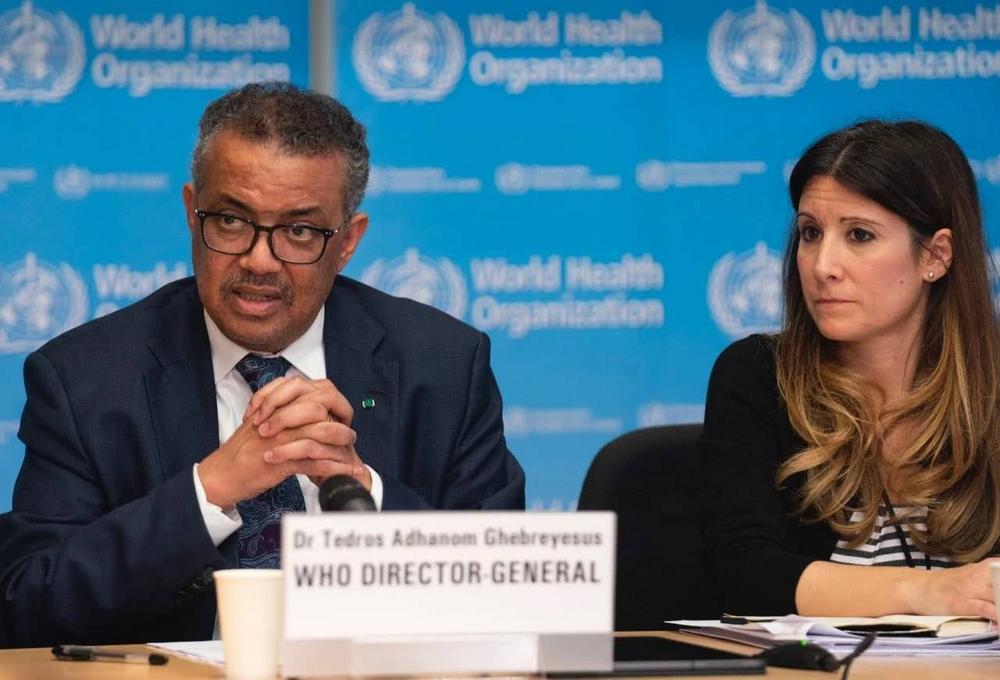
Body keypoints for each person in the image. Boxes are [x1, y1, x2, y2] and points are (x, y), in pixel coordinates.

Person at [0, 82, 525, 647]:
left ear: (348, 241)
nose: (259, 260)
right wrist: (207, 492)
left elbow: (508, 595)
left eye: (299, 231)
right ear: (191, 212)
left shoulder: (442, 365)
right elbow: (27, 605)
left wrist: (362, 490)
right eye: (230, 220)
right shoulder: (87, 379)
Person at [701, 120, 1000, 619]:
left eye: (859, 235)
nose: (823, 266)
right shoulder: (759, 376)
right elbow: (745, 574)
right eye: (811, 233)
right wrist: (929, 593)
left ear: (935, 255)